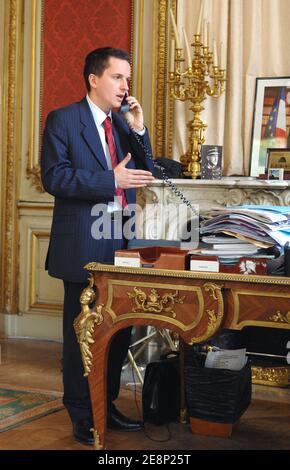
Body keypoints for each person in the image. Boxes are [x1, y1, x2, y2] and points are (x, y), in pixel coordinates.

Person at [41, 47, 155, 446]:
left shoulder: (123, 124)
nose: (125, 86)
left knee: (120, 330)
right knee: (82, 336)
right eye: (117, 77)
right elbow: (55, 178)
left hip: (122, 240)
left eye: (127, 78)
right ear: (94, 79)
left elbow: (148, 171)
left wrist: (139, 130)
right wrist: (110, 181)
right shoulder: (63, 120)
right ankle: (81, 412)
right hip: (83, 244)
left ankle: (106, 405)